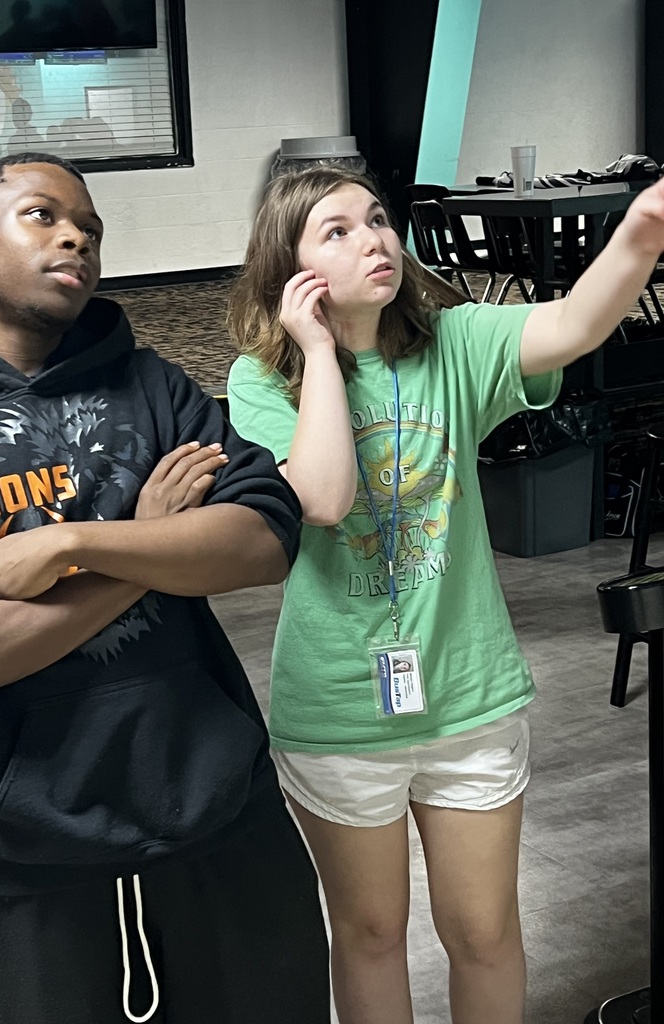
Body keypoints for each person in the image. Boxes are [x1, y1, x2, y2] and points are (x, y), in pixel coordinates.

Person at [0, 152, 330, 1024]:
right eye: (43, 216)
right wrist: (146, 546)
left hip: (225, 827)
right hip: (32, 868)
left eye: (91, 229)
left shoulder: (155, 384)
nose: (77, 239)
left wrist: (79, 542)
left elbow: (257, 543)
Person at [225, 165, 664, 1024]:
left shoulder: (455, 346)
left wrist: (644, 229)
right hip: (340, 711)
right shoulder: (260, 382)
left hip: (468, 695)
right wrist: (319, 352)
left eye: (378, 219)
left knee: (484, 931)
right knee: (370, 933)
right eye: (337, 231)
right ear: (292, 270)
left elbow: (574, 324)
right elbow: (321, 498)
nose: (373, 239)